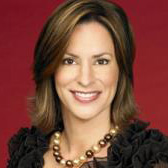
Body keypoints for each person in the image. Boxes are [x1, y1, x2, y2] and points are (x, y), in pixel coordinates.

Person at [7, 0, 168, 168]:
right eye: (69, 61)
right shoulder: (26, 153)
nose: (85, 79)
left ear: (121, 70)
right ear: (50, 68)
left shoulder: (151, 160)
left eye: (101, 61)